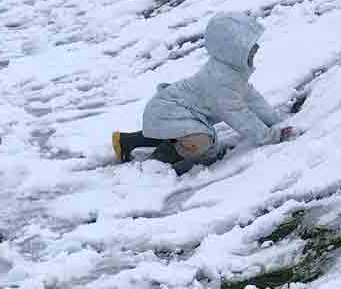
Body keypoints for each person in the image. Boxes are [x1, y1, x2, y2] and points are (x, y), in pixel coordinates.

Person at [112, 12, 295, 175]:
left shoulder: (230, 72)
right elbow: (238, 114)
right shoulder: (221, 81)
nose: (256, 49)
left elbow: (252, 99)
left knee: (180, 128)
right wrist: (269, 136)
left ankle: (126, 141)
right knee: (201, 140)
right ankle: (155, 165)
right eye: (249, 46)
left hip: (171, 111)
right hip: (168, 109)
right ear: (231, 50)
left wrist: (275, 121)